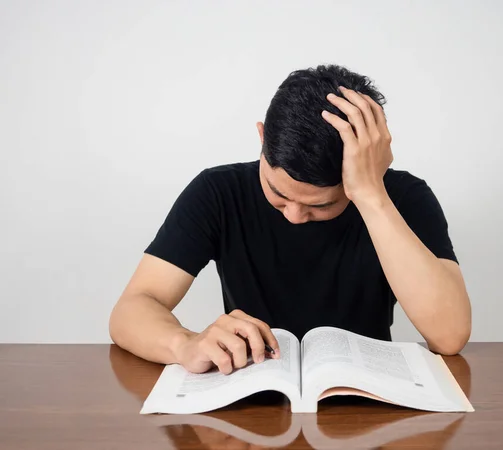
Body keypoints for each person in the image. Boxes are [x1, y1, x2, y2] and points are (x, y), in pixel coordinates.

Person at [109, 64, 471, 375]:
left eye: (322, 205)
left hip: (362, 404)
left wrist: (372, 196)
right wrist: (185, 344)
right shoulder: (217, 191)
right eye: (279, 194)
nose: (296, 216)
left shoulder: (404, 198)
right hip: (253, 394)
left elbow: (449, 335)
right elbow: (132, 309)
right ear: (262, 138)